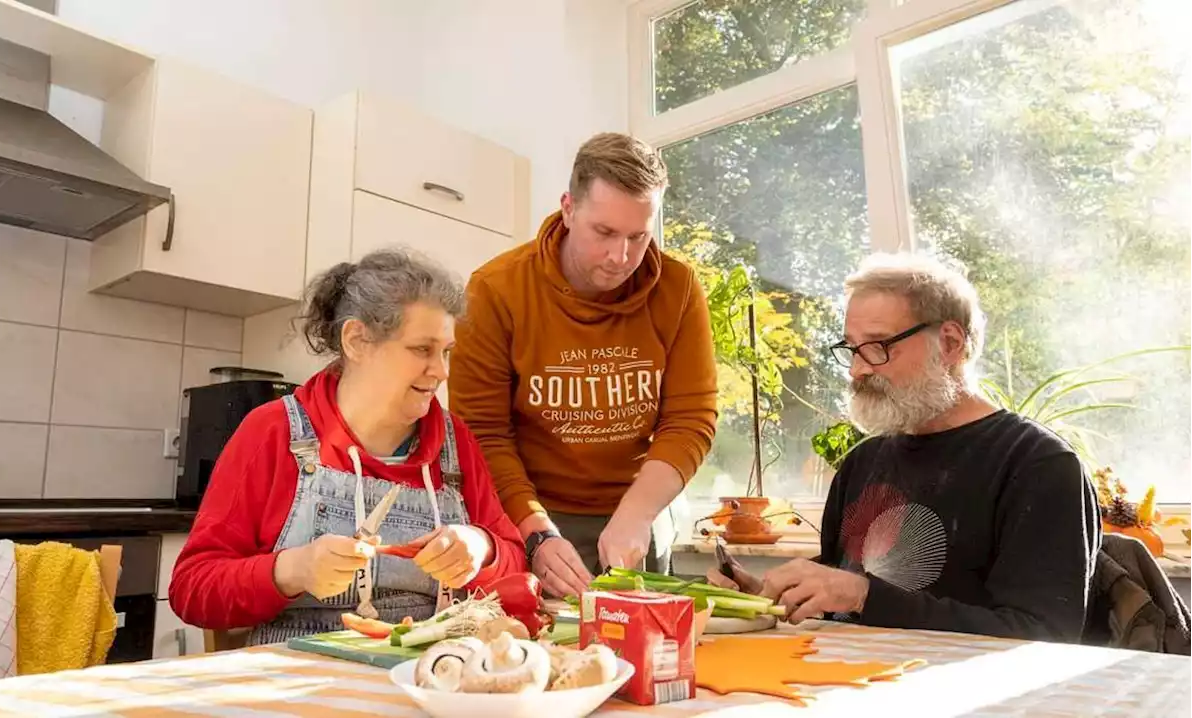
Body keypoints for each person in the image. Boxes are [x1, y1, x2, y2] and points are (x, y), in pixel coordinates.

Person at [710, 253, 1101, 642]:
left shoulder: (1038, 465)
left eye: (879, 345)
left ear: (949, 343)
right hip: (847, 683)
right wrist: (766, 596)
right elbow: (839, 592)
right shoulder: (863, 460)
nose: (857, 369)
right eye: (852, 347)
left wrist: (864, 596)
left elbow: (1044, 635)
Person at [170, 249, 526, 645]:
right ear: (357, 341)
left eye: (446, 351)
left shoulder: (454, 441)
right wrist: (292, 570)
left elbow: (515, 568)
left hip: (426, 674)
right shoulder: (273, 432)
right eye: (422, 350)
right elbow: (192, 590)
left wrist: (482, 548)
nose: (442, 372)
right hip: (298, 686)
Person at [449, 132, 718, 598]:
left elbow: (690, 419)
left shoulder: (678, 289)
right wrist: (535, 533)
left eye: (639, 236)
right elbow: (483, 434)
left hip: (638, 509)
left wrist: (637, 514)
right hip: (530, 511)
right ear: (569, 209)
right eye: (605, 232)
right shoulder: (496, 290)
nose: (621, 257)